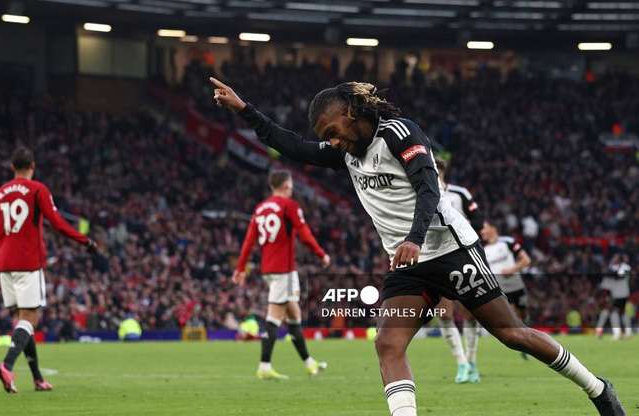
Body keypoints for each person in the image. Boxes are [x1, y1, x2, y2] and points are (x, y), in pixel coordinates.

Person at [211, 77, 625, 415]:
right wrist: (246, 111)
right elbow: (293, 146)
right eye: (326, 137)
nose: (331, 142)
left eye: (333, 132)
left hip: (451, 251)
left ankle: (598, 390)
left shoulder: (399, 133)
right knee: (388, 344)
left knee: (511, 334)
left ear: (351, 115)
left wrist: (413, 238)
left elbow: (429, 189)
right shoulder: (348, 154)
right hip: (408, 266)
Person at [0, 146, 97, 393]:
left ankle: (37, 378)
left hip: (5, 264)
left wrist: (0, 264)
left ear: (12, 167)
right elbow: (57, 224)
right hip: (28, 262)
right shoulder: (38, 189)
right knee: (31, 318)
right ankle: (7, 365)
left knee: (23, 321)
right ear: (33, 166)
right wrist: (85, 241)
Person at [233, 169, 331, 380]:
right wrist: (321, 254)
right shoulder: (289, 206)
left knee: (294, 314)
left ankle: (309, 362)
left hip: (270, 268)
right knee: (275, 317)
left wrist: (240, 268)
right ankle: (264, 365)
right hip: (283, 270)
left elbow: (249, 241)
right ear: (286, 185)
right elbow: (304, 234)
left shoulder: (260, 209)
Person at [434, 157, 483, 383]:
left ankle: (472, 361)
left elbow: (479, 221)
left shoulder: (459, 193)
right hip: (435, 258)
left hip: (461, 255)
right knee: (443, 313)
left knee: (471, 313)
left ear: (441, 170)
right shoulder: (420, 191)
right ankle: (461, 363)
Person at [480, 220, 532, 359]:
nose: (482, 232)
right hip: (501, 291)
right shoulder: (482, 250)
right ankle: (524, 346)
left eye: (484, 228)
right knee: (513, 317)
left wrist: (512, 269)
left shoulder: (508, 242)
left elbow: (526, 260)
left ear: (493, 228)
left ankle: (528, 340)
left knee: (523, 315)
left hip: (517, 286)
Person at [596, 254, 632, 340]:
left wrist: (610, 272)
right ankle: (624, 332)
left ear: (620, 259)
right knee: (615, 312)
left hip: (621, 293)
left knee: (613, 312)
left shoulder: (625, 267)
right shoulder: (612, 268)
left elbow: (619, 276)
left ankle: (618, 333)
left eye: (615, 258)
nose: (613, 259)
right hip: (613, 293)